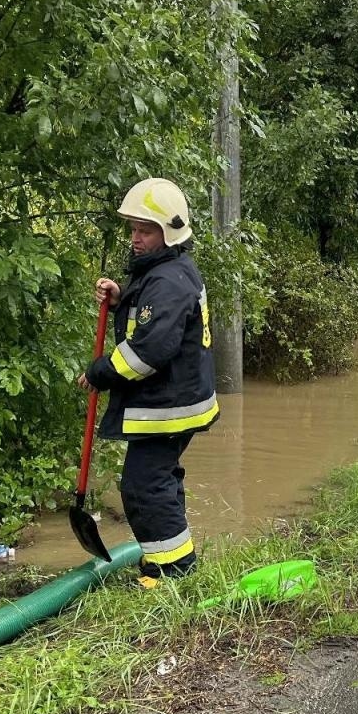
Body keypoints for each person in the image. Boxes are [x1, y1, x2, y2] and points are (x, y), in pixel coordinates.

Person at [80, 178, 218, 582]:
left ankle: (173, 571)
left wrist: (99, 372)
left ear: (169, 232)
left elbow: (148, 351)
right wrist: (123, 298)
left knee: (144, 488)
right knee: (158, 480)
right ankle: (172, 560)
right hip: (172, 401)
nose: (135, 238)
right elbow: (151, 315)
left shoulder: (169, 280)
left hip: (168, 406)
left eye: (145, 230)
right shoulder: (166, 271)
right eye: (133, 229)